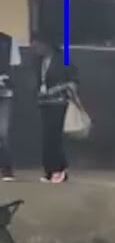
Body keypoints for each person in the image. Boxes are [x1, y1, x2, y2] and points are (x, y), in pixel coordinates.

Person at [29, 31, 78, 183]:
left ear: (46, 44)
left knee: (54, 137)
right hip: (44, 103)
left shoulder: (63, 59)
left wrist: (55, 89)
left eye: (37, 45)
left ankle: (59, 169)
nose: (35, 49)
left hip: (59, 102)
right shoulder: (38, 62)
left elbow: (73, 82)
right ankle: (50, 170)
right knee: (46, 138)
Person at [0, 30, 20, 181]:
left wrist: (6, 79)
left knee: (3, 132)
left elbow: (14, 68)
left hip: (4, 94)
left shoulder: (8, 41)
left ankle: (6, 169)